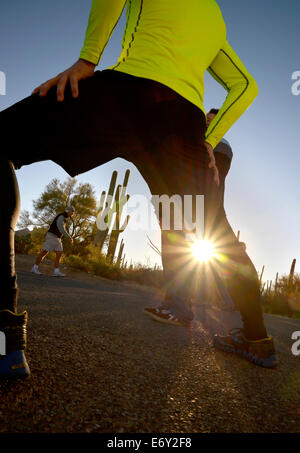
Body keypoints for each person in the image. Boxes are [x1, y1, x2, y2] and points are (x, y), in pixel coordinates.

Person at [0, 0, 277, 379]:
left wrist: (87, 60)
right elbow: (246, 86)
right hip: (184, 124)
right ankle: (258, 338)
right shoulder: (215, 17)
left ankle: (4, 334)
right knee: (221, 237)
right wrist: (209, 141)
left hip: (128, 95)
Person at [31, 206, 75, 277]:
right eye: (72, 211)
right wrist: (68, 237)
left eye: (73, 212)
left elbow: (62, 229)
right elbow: (60, 227)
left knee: (59, 253)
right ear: (68, 211)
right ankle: (34, 268)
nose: (73, 213)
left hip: (57, 238)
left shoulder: (64, 218)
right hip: (51, 236)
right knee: (44, 252)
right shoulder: (61, 216)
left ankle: (56, 271)